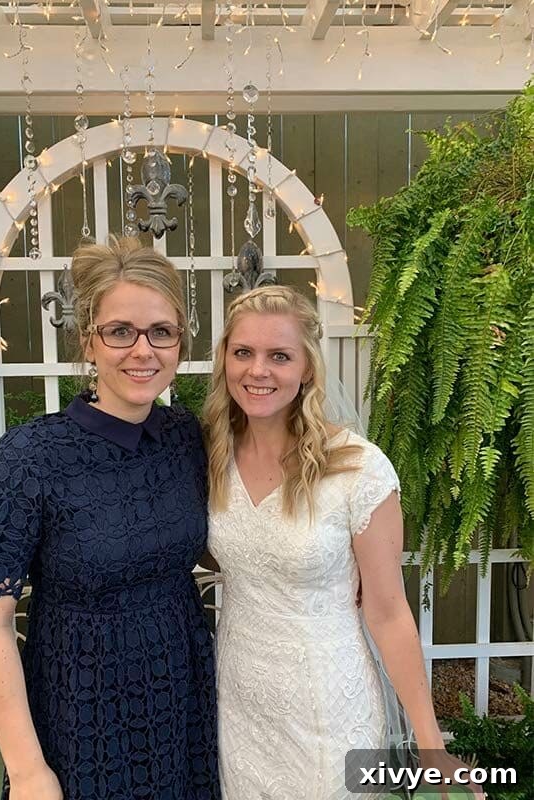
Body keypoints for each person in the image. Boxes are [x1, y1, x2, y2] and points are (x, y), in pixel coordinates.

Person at [0, 236, 220, 800]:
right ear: (88, 341)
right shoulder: (30, 456)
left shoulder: (186, 439)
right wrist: (28, 771)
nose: (142, 351)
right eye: (121, 331)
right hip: (80, 714)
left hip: (182, 700)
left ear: (179, 342)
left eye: (161, 332)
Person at [202, 285, 483, 800]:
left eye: (279, 356)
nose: (257, 370)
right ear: (224, 359)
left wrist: (431, 744)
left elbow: (389, 612)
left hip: (327, 705)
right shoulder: (210, 455)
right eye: (243, 352)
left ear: (307, 367)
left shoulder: (358, 468)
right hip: (239, 702)